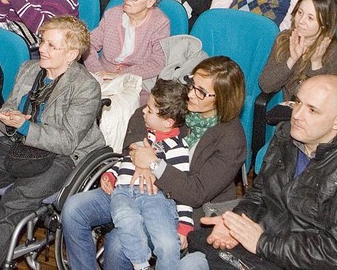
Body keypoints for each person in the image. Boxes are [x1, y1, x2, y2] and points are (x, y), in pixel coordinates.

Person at [0, 16, 104, 270]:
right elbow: (12, 106)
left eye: (51, 46)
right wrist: (6, 118)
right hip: (18, 144)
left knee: (15, 200)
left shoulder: (86, 87)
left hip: (61, 156)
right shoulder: (29, 69)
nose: (42, 49)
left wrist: (24, 125)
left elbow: (67, 141)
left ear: (72, 54)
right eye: (43, 42)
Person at [62, 56, 247, 270]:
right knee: (74, 209)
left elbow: (196, 192)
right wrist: (139, 156)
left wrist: (154, 165)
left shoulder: (232, 140)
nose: (190, 93)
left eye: (201, 92)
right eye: (192, 83)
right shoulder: (187, 103)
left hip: (180, 206)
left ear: (223, 99)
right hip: (134, 185)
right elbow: (141, 115)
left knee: (117, 244)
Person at [189, 75, 337, 269]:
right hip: (271, 244)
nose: (298, 115)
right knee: (196, 246)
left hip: (308, 261)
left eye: (312, 110)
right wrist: (237, 223)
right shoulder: (286, 135)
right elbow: (259, 193)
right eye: (298, 103)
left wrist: (262, 243)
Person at [101, 79, 193, 270]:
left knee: (167, 243)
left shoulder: (176, 147)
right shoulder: (142, 135)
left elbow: (182, 188)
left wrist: (184, 225)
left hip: (154, 197)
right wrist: (111, 174)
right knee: (125, 218)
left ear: (168, 121)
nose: (143, 111)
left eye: (150, 110)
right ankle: (141, 264)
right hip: (123, 192)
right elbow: (124, 161)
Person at [85, 0, 168, 87]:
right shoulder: (112, 14)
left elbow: (157, 63)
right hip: (102, 76)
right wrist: (98, 72)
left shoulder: (159, 23)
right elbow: (88, 44)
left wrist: (120, 76)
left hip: (137, 81)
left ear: (150, 2)